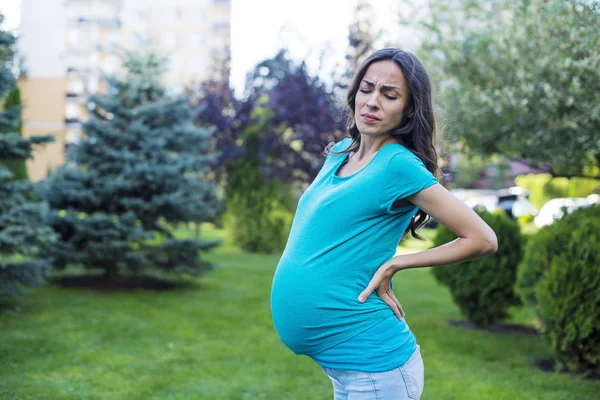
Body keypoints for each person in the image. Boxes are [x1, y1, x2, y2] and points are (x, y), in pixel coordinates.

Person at [270, 48, 498, 400]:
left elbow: (482, 238)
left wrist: (396, 263)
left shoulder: (397, 165)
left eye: (389, 94)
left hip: (375, 365)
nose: (372, 101)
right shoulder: (340, 153)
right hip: (348, 366)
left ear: (409, 109)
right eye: (367, 88)